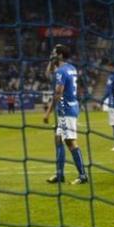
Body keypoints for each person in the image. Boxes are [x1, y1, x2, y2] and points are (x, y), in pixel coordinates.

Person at [43, 45, 88, 185]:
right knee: (58, 139)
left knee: (70, 142)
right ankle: (60, 174)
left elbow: (58, 93)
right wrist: (51, 60)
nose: (52, 54)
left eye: (54, 53)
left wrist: (48, 112)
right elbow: (47, 74)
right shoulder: (71, 68)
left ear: (60, 55)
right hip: (70, 108)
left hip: (66, 110)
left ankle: (83, 175)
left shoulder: (61, 71)